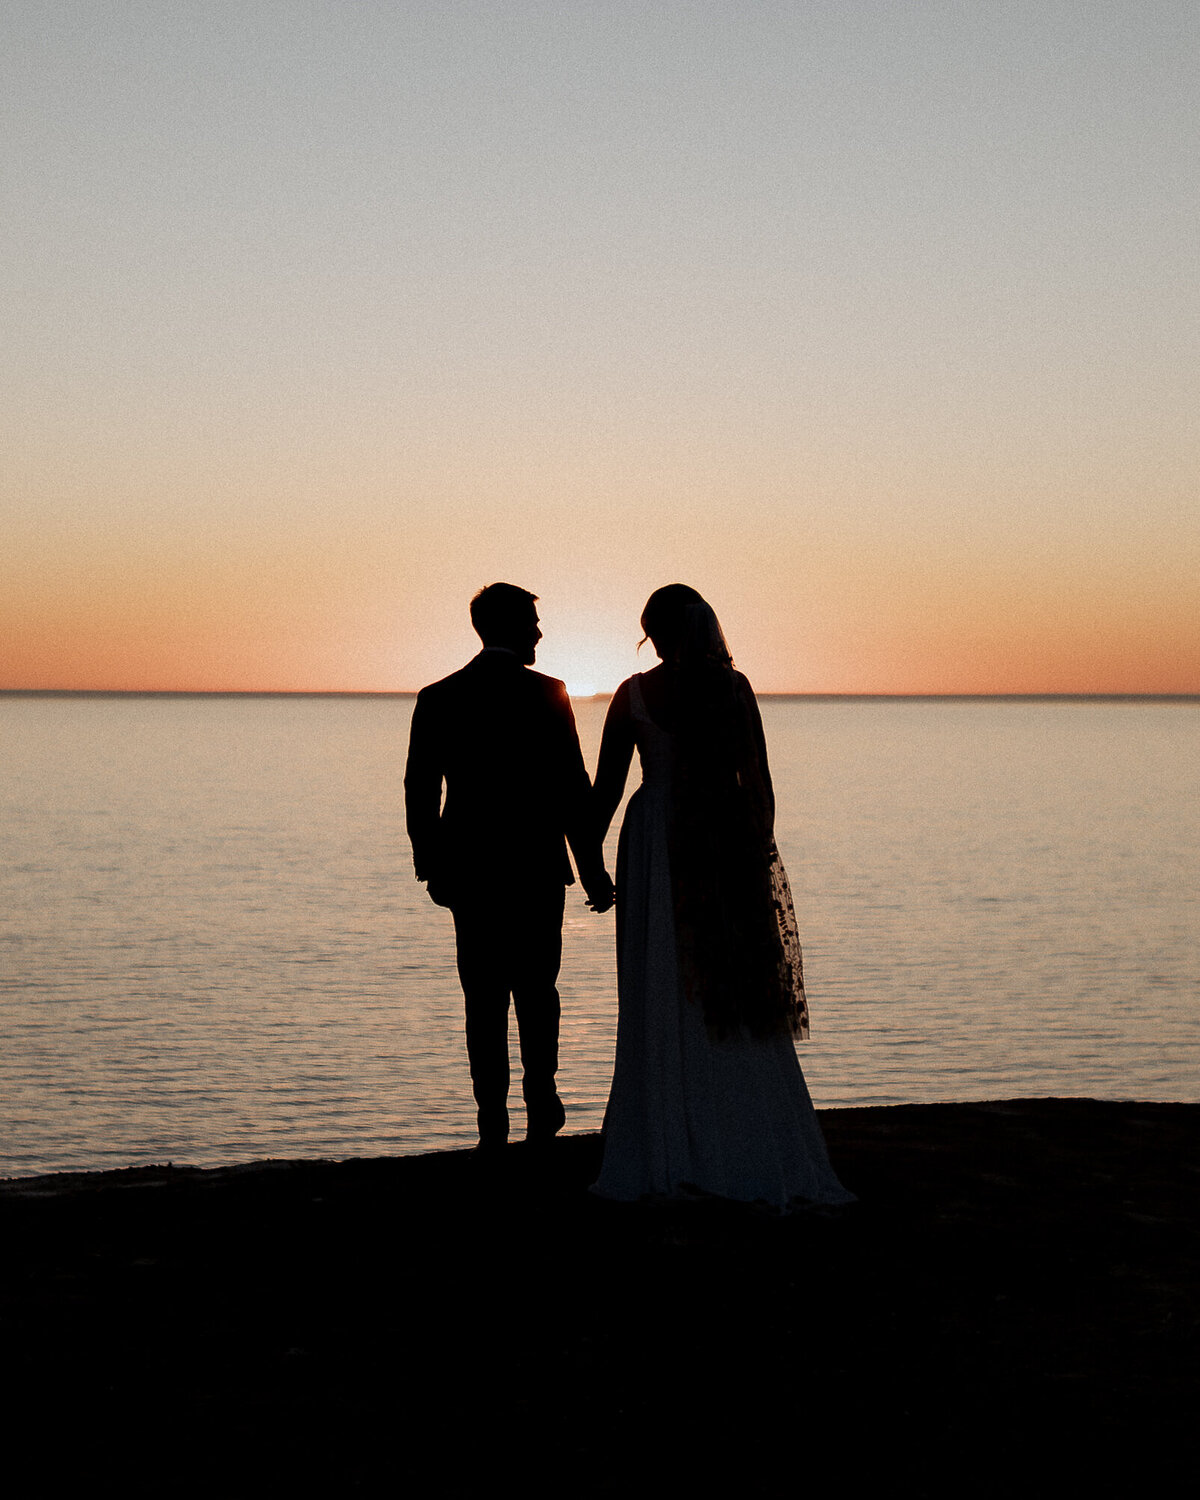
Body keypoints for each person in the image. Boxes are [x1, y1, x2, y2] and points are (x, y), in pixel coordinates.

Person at [591, 584, 852, 1209]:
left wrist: (591, 866)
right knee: (724, 989)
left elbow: (603, 794)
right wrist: (753, 858)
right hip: (721, 842)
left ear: (652, 630)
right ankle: (737, 1136)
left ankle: (670, 1140)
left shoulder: (632, 696)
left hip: (656, 843)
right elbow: (758, 784)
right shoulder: (734, 690)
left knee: (661, 988)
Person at [405, 583, 614, 1149]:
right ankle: (541, 1101)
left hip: (470, 872)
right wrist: (592, 871)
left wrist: (432, 866)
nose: (540, 633)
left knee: (483, 998)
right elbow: (573, 788)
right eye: (532, 622)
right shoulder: (549, 693)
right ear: (509, 626)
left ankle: (491, 1120)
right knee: (538, 989)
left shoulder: (439, 696)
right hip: (536, 868)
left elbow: (420, 789)